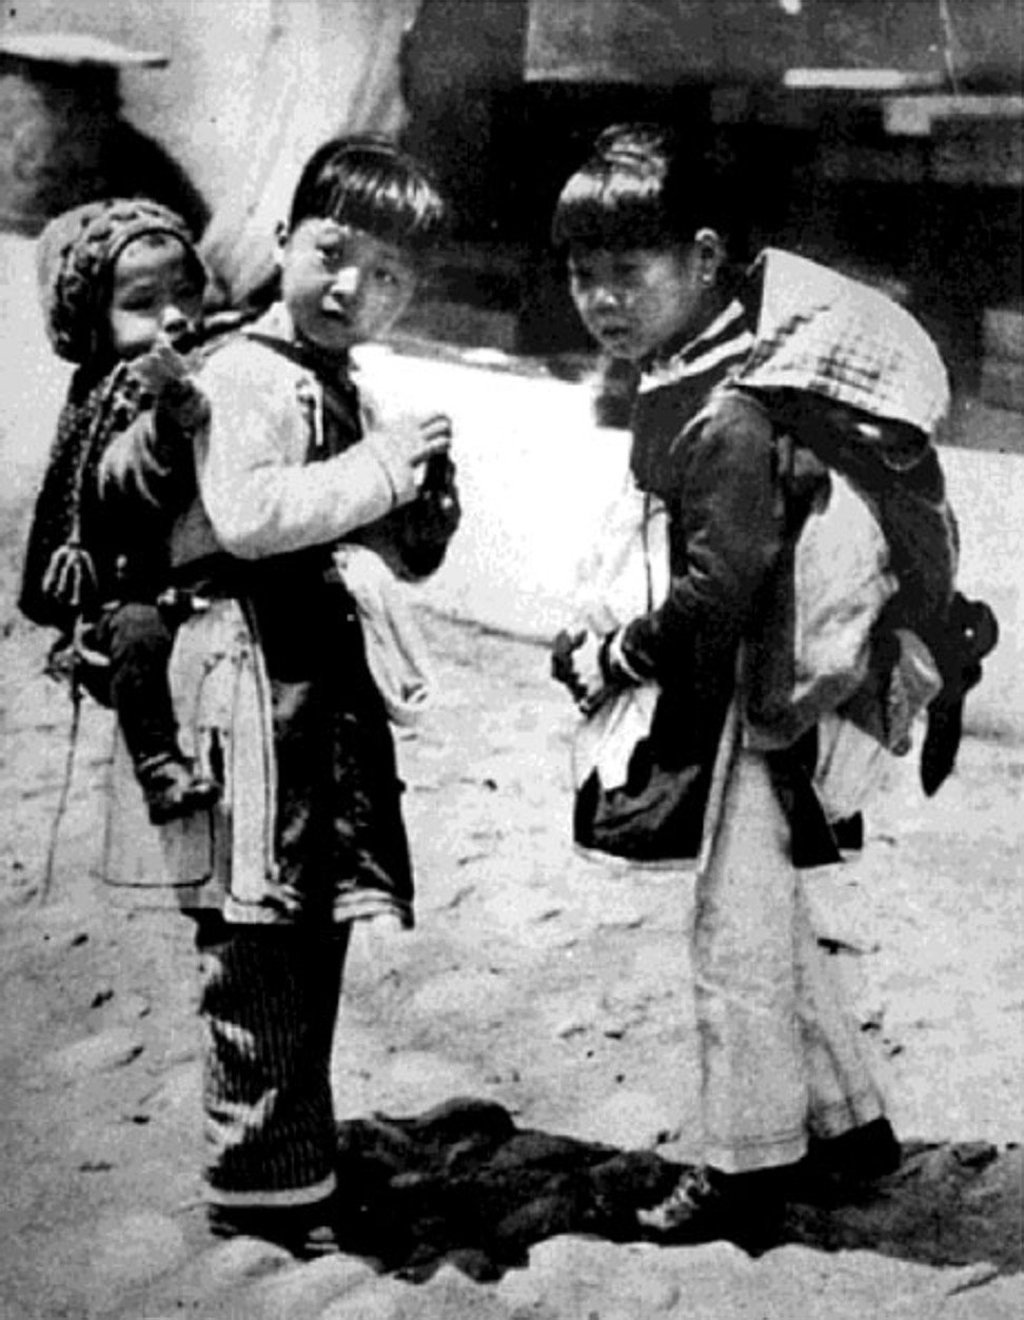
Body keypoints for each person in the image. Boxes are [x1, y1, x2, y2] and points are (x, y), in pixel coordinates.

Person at [548, 122, 982, 1238]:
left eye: (625, 271)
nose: (600, 299)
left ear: (701, 261)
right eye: (581, 274)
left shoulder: (727, 417)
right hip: (778, 685)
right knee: (768, 912)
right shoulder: (709, 378)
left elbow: (714, 595)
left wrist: (610, 656)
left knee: (730, 929)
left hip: (764, 695)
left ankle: (747, 1168)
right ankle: (850, 1127)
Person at [100, 134, 456, 1255]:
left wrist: (418, 509)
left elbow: (349, 528)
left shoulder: (327, 376)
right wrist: (386, 470)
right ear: (287, 241)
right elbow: (251, 518)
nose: (355, 285)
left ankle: (292, 1165)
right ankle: (259, 1192)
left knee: (301, 923)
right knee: (258, 935)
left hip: (304, 686)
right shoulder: (246, 372)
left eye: (390, 275)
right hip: (245, 686)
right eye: (334, 251)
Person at [19, 198, 221, 824]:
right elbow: (107, 492)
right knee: (138, 633)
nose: (174, 317)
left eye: (186, 294)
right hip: (132, 581)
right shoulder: (110, 397)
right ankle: (159, 765)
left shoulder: (215, 362)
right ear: (94, 320)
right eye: (141, 304)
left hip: (207, 566)